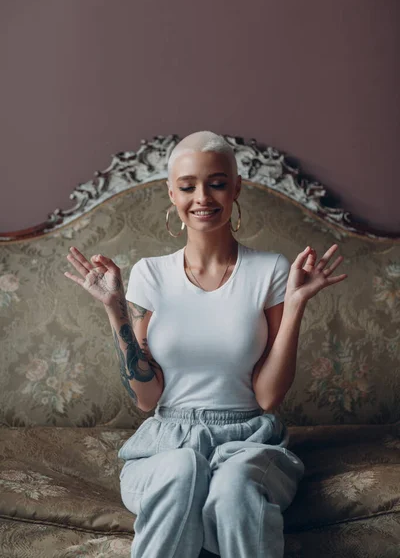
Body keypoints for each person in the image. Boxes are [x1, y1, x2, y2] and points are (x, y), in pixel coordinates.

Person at [64, 130, 348, 558]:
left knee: (233, 488)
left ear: (236, 188)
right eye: (187, 185)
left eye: (216, 183)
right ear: (171, 193)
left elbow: (268, 397)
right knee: (183, 467)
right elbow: (146, 399)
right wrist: (115, 308)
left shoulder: (269, 270)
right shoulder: (150, 274)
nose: (203, 197)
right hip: (167, 441)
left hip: (248, 441)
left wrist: (295, 305)